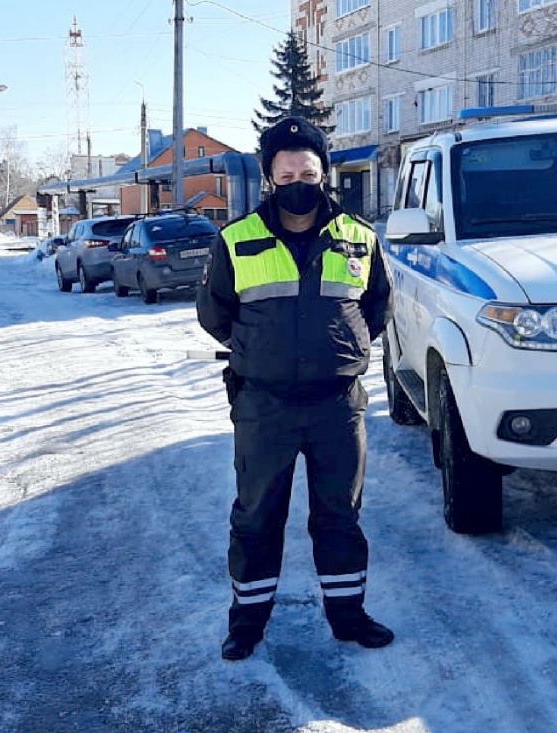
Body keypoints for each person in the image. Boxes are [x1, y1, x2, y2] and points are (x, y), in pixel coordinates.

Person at [196, 116, 394, 661]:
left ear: (324, 173)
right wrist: (267, 354)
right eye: (287, 175)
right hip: (265, 403)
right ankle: (247, 625)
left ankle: (349, 617)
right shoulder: (236, 240)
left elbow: (376, 307)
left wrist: (340, 349)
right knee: (257, 516)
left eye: (308, 171)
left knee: (339, 516)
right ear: (269, 179)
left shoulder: (360, 237)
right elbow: (215, 314)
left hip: (338, 404)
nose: (298, 182)